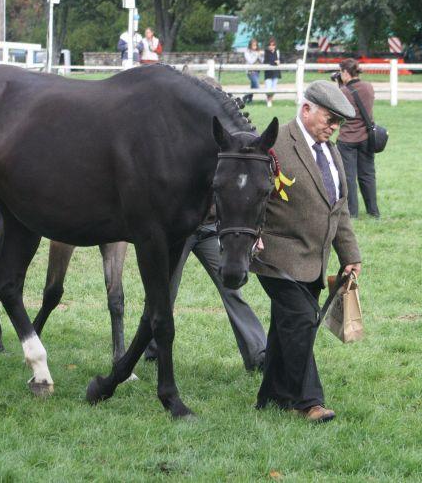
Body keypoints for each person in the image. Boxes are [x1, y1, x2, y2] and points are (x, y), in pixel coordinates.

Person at [252, 80, 362, 423]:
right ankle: (309, 401)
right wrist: (253, 234)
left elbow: (338, 208)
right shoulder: (275, 144)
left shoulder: (330, 151)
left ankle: (271, 395)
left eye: (338, 123)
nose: (332, 128)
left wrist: (350, 255)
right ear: (306, 109)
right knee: (300, 322)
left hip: (314, 261)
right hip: (276, 257)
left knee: (286, 324)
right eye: (328, 119)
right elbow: (248, 194)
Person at [144, 207, 267, 371]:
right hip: (180, 229)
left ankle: (258, 356)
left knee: (232, 289)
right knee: (165, 291)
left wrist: (256, 234)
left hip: (212, 229)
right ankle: (154, 350)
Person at [337, 58, 380, 219]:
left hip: (348, 138)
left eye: (341, 72)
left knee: (349, 177)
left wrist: (339, 87)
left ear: (346, 73)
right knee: (367, 174)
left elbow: (339, 112)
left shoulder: (343, 92)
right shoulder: (368, 87)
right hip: (367, 138)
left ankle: (352, 212)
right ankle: (373, 210)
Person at [263, 38, 281, 108]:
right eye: (270, 45)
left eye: (273, 45)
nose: (271, 46)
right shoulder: (266, 52)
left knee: (274, 88)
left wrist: (279, 62)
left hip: (276, 72)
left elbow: (281, 59)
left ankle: (270, 100)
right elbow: (265, 61)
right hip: (268, 73)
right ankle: (269, 100)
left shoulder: (277, 52)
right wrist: (274, 62)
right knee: (268, 87)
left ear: (275, 45)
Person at [243, 38, 262, 104]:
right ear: (250, 45)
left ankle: (249, 99)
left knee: (253, 86)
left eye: (256, 45)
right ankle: (246, 96)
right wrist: (256, 54)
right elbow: (251, 61)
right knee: (256, 86)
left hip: (257, 71)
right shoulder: (247, 52)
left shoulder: (257, 51)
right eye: (253, 45)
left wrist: (261, 55)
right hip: (250, 71)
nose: (255, 47)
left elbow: (262, 61)